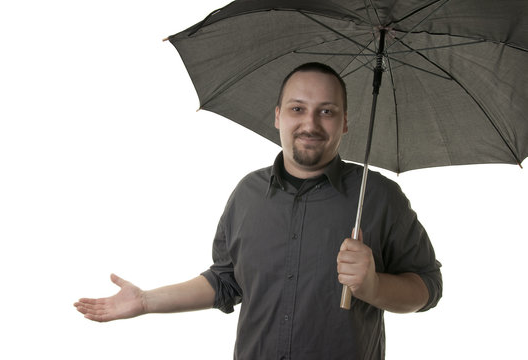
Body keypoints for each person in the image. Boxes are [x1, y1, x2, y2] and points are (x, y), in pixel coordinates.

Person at [75, 62, 442, 360]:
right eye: (298, 109)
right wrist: (145, 300)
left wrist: (374, 286)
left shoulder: (379, 197)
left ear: (344, 121)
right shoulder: (247, 194)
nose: (310, 124)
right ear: (279, 116)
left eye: (326, 112)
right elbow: (225, 280)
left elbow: (428, 286)